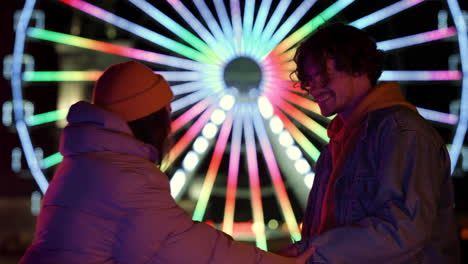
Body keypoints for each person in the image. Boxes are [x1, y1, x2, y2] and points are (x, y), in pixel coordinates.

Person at [20, 61, 314, 264]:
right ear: (153, 123)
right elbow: (194, 252)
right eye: (167, 116)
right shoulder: (127, 181)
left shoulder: (81, 165)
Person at [281, 23, 460, 263]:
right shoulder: (337, 143)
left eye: (322, 75)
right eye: (308, 79)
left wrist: (311, 251)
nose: (313, 87)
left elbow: (404, 229)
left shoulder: (403, 132)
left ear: (358, 67)